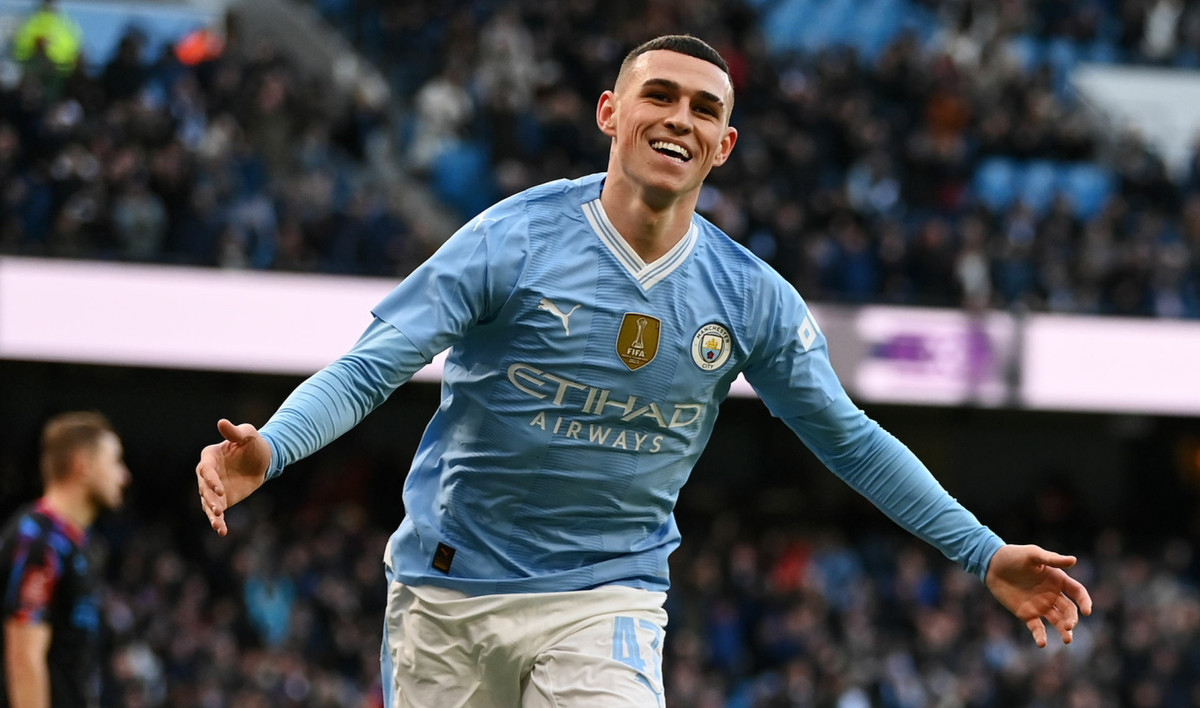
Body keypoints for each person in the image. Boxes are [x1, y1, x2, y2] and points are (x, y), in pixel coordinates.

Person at [195, 35, 1092, 707]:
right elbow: (371, 367)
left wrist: (983, 551)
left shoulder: (749, 297)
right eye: (658, 96)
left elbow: (850, 441)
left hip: (608, 595)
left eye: (703, 108)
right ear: (609, 114)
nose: (679, 118)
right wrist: (275, 446)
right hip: (448, 589)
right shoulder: (511, 240)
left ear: (724, 144)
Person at [1, 412, 130, 708]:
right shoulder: (39, 541)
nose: (123, 476)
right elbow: (24, 658)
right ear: (82, 465)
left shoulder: (79, 545)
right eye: (114, 462)